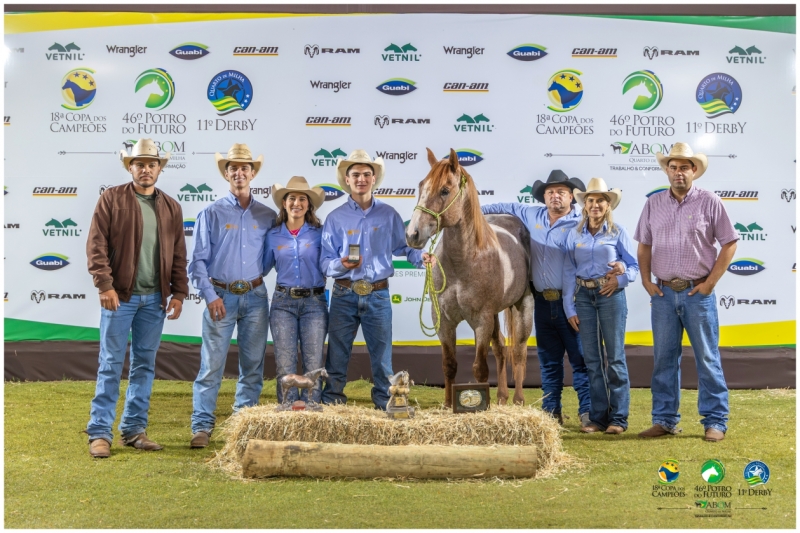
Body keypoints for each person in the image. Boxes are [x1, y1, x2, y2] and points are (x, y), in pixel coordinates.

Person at [482, 170, 624, 427]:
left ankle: (588, 412)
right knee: (549, 361)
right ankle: (551, 411)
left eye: (561, 192)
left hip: (575, 301)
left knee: (582, 360)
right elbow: (498, 206)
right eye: (550, 192)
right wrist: (466, 211)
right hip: (541, 302)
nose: (555, 196)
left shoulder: (582, 223)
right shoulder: (529, 213)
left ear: (572, 198)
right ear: (543, 197)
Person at [85, 138, 189, 458]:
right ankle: (100, 433)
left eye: (152, 164)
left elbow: (178, 256)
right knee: (110, 364)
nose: (146, 169)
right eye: (139, 164)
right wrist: (105, 285)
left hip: (155, 300)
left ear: (160, 168)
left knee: (144, 366)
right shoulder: (111, 198)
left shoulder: (171, 206)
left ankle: (133, 430)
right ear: (129, 167)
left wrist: (179, 293)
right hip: (121, 297)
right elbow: (96, 245)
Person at [634, 142, 738, 442]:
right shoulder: (653, 203)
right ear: (667, 171)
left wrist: (711, 283)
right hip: (664, 294)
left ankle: (715, 421)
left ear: (694, 171)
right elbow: (644, 245)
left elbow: (730, 243)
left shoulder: (710, 202)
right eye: (673, 167)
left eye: (684, 167)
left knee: (707, 358)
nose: (678, 172)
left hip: (698, 294)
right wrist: (645, 280)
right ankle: (664, 420)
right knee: (664, 359)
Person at [319, 150, 432, 409]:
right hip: (343, 294)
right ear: (347, 180)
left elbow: (405, 248)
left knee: (382, 358)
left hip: (378, 294)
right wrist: (341, 264)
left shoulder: (389, 215)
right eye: (356, 174)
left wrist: (422, 257)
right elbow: (324, 262)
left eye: (367, 174)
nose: (361, 179)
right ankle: (333, 401)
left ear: (374, 179)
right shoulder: (335, 218)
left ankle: (385, 401)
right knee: (337, 353)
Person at [188, 144, 277, 448]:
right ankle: (201, 426)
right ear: (226, 174)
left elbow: (268, 258)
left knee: (253, 365)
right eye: (233, 169)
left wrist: (254, 281)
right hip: (221, 297)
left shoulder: (268, 215)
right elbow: (197, 261)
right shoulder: (210, 213)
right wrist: (210, 295)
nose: (239, 173)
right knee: (212, 364)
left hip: (255, 297)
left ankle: (243, 423)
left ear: (253, 173)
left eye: (244, 168)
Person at [562, 177, 639, 435]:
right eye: (590, 200)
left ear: (608, 206)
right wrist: (569, 307)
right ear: (584, 205)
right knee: (592, 360)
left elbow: (633, 267)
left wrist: (621, 277)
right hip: (583, 297)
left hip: (610, 296)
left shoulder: (619, 233)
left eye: (600, 201)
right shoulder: (574, 233)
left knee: (615, 358)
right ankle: (597, 418)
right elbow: (569, 270)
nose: (595, 205)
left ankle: (618, 418)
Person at [264, 176, 328, 406]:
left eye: (303, 199)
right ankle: (287, 409)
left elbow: (329, 263)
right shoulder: (272, 235)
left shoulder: (320, 234)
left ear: (309, 205)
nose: (297, 203)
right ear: (284, 203)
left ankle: (312, 409)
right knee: (285, 362)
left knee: (313, 363)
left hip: (315, 303)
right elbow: (261, 267)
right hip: (283, 303)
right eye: (292, 198)